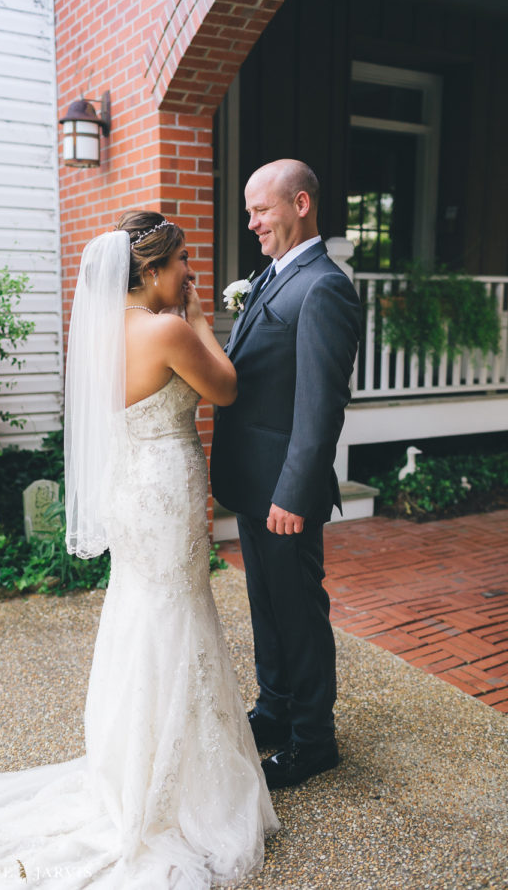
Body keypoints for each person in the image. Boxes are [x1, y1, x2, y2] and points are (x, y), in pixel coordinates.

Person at [0, 212, 279, 889]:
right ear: (151, 271)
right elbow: (224, 388)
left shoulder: (102, 335)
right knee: (176, 616)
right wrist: (200, 319)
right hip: (164, 486)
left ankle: (133, 766)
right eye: (182, 264)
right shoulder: (167, 328)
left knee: (142, 612)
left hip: (129, 491)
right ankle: (176, 788)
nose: (190, 274)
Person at [211, 160, 362, 790]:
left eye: (261, 210)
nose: (251, 223)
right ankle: (275, 710)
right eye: (249, 211)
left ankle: (313, 740)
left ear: (301, 203)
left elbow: (320, 404)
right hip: (253, 484)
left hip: (284, 492)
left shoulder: (324, 286)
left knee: (298, 612)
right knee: (266, 606)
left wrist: (294, 493)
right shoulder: (269, 277)